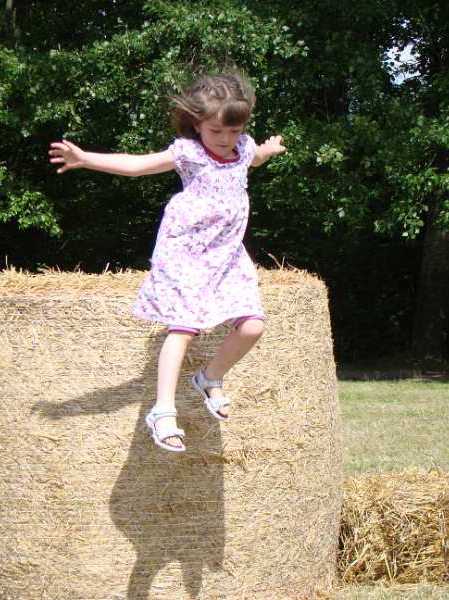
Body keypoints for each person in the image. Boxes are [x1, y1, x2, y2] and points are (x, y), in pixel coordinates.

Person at [49, 72, 286, 452]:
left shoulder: (242, 147)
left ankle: (209, 378)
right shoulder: (189, 153)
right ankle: (162, 411)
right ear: (197, 124)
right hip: (187, 251)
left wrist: (268, 150)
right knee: (184, 328)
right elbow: (136, 166)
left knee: (253, 326)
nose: (226, 139)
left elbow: (253, 158)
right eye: (216, 131)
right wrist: (85, 159)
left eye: (234, 130)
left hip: (227, 253)